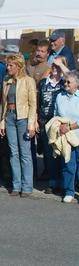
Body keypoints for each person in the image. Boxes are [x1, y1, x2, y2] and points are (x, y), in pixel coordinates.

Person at [0, 53, 37, 197]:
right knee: (13, 152)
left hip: (23, 118)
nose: (8, 67)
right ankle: (16, 185)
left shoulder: (28, 81)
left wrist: (31, 124)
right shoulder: (6, 81)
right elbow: (3, 104)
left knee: (25, 153)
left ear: (19, 66)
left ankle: (27, 186)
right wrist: (1, 123)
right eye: (7, 65)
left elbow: (33, 104)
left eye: (11, 65)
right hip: (9, 116)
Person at [36, 56, 66, 194]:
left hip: (61, 123)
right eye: (53, 65)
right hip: (45, 123)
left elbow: (73, 77)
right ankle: (53, 182)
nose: (55, 67)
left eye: (58, 66)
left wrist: (62, 66)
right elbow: (37, 103)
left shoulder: (65, 82)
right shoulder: (43, 83)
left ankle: (65, 183)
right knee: (49, 155)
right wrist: (35, 119)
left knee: (63, 154)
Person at [53, 70, 79, 203]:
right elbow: (55, 115)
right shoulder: (60, 96)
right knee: (68, 164)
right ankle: (69, 190)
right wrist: (59, 127)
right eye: (65, 81)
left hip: (77, 133)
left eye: (69, 82)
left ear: (77, 84)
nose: (66, 84)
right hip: (65, 136)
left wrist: (69, 127)